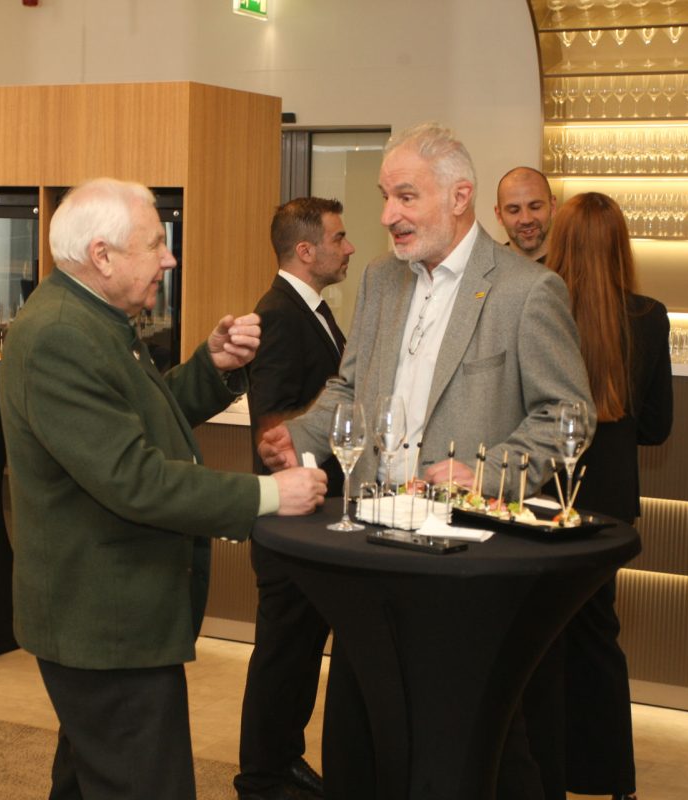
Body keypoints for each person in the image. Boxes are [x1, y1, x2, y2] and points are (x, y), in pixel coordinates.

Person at [259, 122, 594, 800]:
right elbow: (350, 387)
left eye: (406, 197)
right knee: (362, 731)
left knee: (469, 746)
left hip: (464, 559)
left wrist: (488, 471)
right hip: (373, 544)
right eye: (386, 197)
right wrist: (302, 434)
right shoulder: (381, 281)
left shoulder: (526, 290)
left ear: (460, 196)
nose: (388, 216)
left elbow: (568, 413)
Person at [0, 178, 328, 800]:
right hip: (104, 621)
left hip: (111, 617)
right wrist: (267, 496)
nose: (169, 258)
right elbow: (135, 479)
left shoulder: (91, 318)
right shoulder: (62, 335)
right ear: (102, 255)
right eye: (155, 244)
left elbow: (140, 420)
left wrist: (212, 367)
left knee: (92, 780)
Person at [544, 191, 674, 800]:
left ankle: (547, 771)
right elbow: (658, 427)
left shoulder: (537, 307)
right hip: (610, 503)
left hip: (545, 492)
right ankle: (612, 779)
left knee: (541, 637)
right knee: (598, 635)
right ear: (622, 245)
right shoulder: (649, 316)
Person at [236, 197, 355, 800]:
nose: (349, 247)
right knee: (283, 654)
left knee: (300, 652)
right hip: (290, 518)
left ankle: (282, 761)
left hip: (310, 515)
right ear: (306, 251)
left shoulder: (313, 310)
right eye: (339, 238)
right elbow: (273, 424)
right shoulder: (280, 315)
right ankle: (262, 776)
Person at [494, 166, 557, 262]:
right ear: (499, 216)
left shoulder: (576, 266)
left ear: (552, 206)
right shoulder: (486, 269)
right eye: (514, 210)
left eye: (535, 207)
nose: (526, 219)